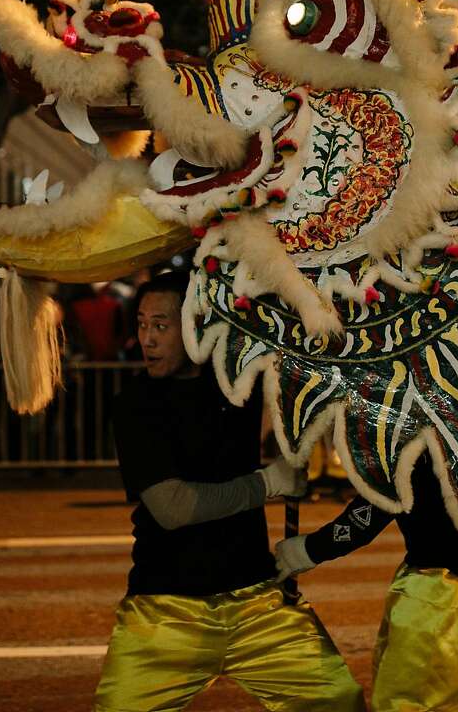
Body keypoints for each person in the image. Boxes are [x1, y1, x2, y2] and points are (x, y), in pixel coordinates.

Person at [94, 271, 364, 711]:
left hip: (257, 601)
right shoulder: (136, 403)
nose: (147, 339)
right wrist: (269, 482)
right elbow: (173, 508)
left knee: (338, 702)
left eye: (161, 325)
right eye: (142, 324)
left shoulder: (241, 384)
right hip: (165, 609)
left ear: (195, 323)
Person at [274, 455, 458, 711]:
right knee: (423, 692)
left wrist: (312, 548)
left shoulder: (428, 425)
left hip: (447, 581)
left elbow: (380, 500)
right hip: (453, 573)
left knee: (410, 698)